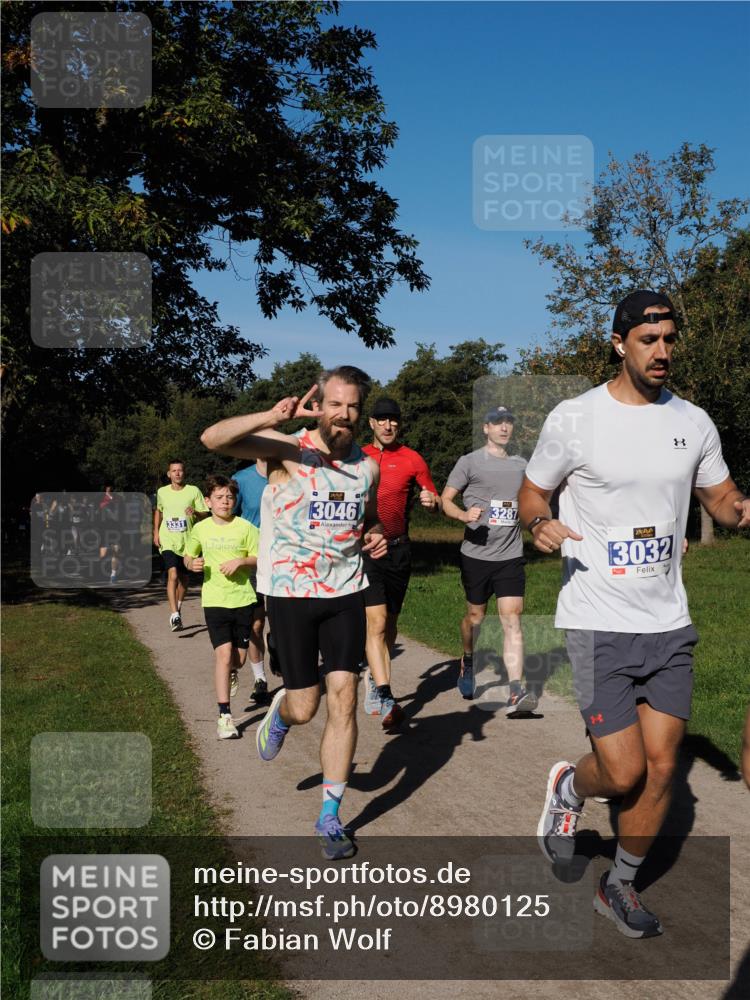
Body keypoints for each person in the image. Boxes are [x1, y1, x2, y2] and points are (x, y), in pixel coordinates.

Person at [521, 290, 750, 939]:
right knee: (623, 771)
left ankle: (617, 884)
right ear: (618, 343)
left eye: (670, 339)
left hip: (668, 623)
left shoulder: (694, 422)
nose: (662, 351)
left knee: (663, 767)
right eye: (650, 340)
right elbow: (533, 491)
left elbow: (721, 498)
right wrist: (538, 522)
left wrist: (741, 509)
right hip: (597, 619)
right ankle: (571, 789)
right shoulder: (575, 418)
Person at [200, 366, 387, 860]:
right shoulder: (287, 449)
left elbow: (367, 518)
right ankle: (282, 713)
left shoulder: (367, 467)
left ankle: (329, 816)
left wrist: (375, 535)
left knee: (344, 695)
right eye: (335, 404)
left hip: (346, 590)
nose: (343, 414)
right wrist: (273, 416)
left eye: (352, 406)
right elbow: (213, 439)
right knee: (306, 707)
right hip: (290, 593)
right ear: (319, 406)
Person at [442, 407, 538, 715]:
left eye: (509, 422)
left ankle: (516, 690)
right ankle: (468, 660)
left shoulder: (521, 465)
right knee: (476, 618)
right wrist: (462, 515)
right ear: (486, 428)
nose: (504, 427)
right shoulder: (469, 462)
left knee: (512, 618)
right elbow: (446, 499)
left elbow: (534, 499)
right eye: (497, 423)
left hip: (510, 555)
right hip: (476, 555)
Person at [361, 397, 441, 730]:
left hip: (399, 550)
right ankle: (385, 693)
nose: (388, 425)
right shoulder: (357, 457)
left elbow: (433, 498)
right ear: (371, 423)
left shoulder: (412, 459)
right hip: (366, 550)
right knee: (377, 622)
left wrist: (431, 502)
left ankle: (373, 674)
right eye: (381, 419)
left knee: (390, 623)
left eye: (393, 419)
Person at [183, 475, 259, 739]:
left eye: (229, 497)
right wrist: (191, 564)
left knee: (238, 659)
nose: (225, 501)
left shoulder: (246, 527)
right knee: (224, 655)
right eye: (219, 497)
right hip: (214, 600)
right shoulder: (201, 528)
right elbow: (188, 556)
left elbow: (260, 557)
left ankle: (232, 672)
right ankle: (224, 716)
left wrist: (241, 561)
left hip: (243, 599)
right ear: (208, 501)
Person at [231, 459, 271, 705]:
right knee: (256, 624)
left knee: (285, 622)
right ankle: (260, 680)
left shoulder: (292, 473)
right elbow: (228, 516)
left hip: (284, 560)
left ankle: (281, 655)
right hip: (253, 560)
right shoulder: (242, 479)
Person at [153, 460, 208, 631]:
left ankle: (178, 607)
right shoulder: (162, 492)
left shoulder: (193, 491)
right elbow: (159, 511)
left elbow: (205, 514)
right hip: (168, 539)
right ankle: (174, 614)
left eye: (180, 470)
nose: (177, 473)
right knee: (173, 574)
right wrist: (155, 532)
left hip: (187, 541)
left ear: (184, 473)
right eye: (174, 471)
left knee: (184, 579)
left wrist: (195, 512)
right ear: (169, 474)